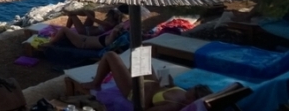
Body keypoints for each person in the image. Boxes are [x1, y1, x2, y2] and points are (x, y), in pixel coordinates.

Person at [81, 52, 212, 110]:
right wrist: (170, 84)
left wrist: (153, 90)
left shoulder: (172, 106)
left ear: (191, 101)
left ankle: (96, 83)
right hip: (153, 82)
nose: (188, 91)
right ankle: (122, 73)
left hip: (135, 91)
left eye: (191, 92)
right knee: (140, 55)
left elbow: (143, 109)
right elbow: (169, 90)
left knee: (111, 55)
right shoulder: (185, 97)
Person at [49, 23, 125, 50]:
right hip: (83, 39)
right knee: (63, 32)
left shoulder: (109, 41)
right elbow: (118, 27)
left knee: (64, 29)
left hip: (82, 43)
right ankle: (56, 36)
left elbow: (115, 31)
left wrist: (116, 29)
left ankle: (49, 43)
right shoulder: (110, 38)